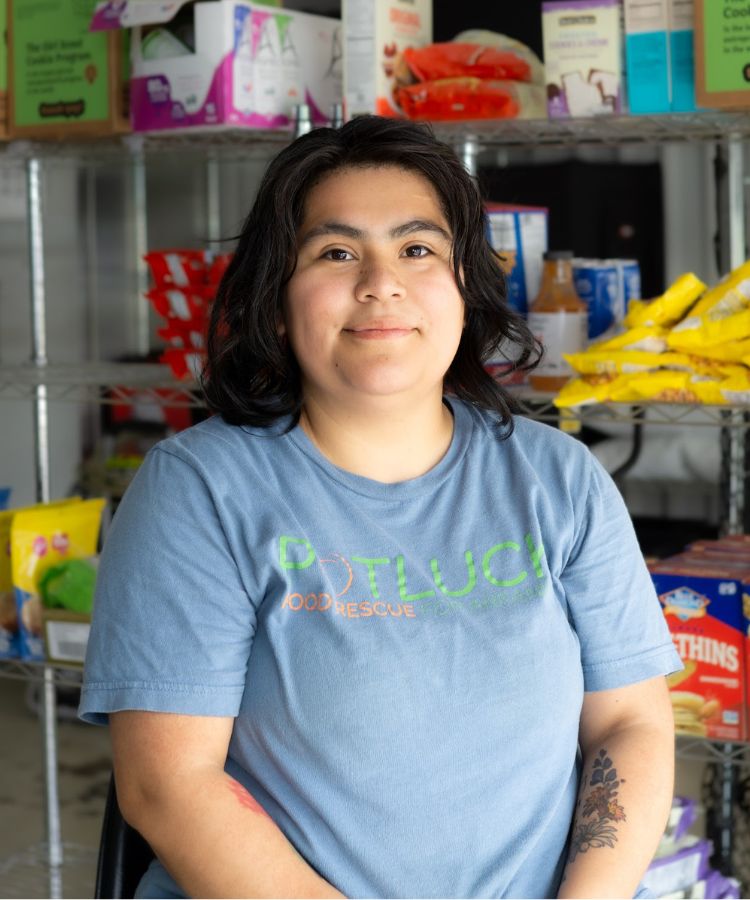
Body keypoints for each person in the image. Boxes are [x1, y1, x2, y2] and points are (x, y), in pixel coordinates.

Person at [80, 115, 682, 899]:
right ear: (276, 298)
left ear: (464, 285)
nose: (381, 282)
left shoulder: (560, 479)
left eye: (418, 249)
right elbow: (168, 786)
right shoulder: (200, 489)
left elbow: (628, 724)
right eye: (336, 252)